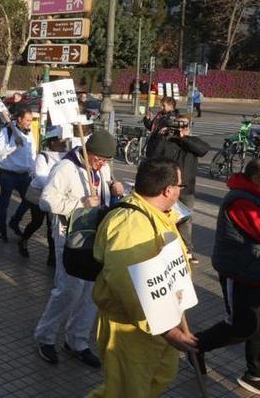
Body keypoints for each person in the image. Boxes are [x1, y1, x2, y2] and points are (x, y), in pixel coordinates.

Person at [90, 158, 197, 397]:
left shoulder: (159, 213)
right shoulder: (131, 224)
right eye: (180, 186)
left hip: (160, 324)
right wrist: (169, 331)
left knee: (156, 379)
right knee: (127, 391)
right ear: (168, 190)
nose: (181, 191)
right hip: (131, 329)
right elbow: (128, 284)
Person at [34, 129, 123, 367]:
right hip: (69, 236)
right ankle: (45, 337)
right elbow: (46, 200)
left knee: (91, 291)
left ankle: (77, 341)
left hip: (95, 236)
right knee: (68, 289)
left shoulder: (102, 169)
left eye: (106, 161)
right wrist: (79, 203)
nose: (102, 164)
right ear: (89, 151)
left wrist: (116, 194)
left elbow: (105, 203)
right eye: (99, 159)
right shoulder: (65, 168)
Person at [195, 158, 260, 394]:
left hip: (254, 272)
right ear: (256, 178)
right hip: (240, 272)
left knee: (257, 325)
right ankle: (197, 346)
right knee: (241, 326)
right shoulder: (240, 200)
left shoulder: (252, 194)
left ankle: (255, 374)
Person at [145, 114, 210, 261]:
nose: (180, 127)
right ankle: (163, 250)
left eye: (184, 125)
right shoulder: (166, 140)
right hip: (166, 189)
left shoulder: (192, 141)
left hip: (186, 190)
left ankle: (187, 250)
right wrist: (162, 135)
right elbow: (152, 155)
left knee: (185, 221)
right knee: (163, 218)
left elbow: (203, 149)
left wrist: (184, 137)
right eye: (178, 124)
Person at [18, 128, 68, 264]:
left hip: (56, 195)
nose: (64, 143)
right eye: (60, 140)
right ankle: (23, 239)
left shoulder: (66, 156)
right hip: (39, 193)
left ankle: (52, 255)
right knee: (37, 222)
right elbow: (41, 177)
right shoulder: (43, 156)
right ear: (52, 143)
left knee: (52, 225)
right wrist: (57, 186)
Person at [0, 107, 36, 243]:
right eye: (28, 120)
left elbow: (32, 153)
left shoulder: (29, 133)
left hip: (24, 175)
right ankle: (1, 230)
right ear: (19, 119)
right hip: (8, 174)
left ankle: (14, 221)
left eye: (31, 120)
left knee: (29, 200)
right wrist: (13, 146)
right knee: (4, 203)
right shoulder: (6, 131)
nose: (30, 122)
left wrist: (33, 169)